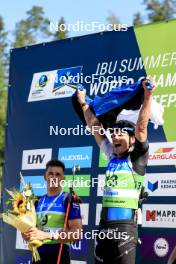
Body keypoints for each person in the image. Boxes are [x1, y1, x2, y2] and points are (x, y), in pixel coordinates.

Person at [77, 77, 156, 264]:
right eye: (113, 134)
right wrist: (82, 101)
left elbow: (142, 128)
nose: (115, 137)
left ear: (132, 140)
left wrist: (148, 96)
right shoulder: (111, 155)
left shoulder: (137, 158)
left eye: (121, 134)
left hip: (125, 229)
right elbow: (95, 126)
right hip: (104, 227)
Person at [22, 159, 82, 264]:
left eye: (58, 174)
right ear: (45, 177)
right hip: (37, 255)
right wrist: (27, 234)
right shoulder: (37, 202)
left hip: (59, 254)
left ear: (63, 179)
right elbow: (32, 230)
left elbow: (77, 234)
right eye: (50, 173)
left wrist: (48, 235)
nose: (54, 177)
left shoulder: (68, 199)